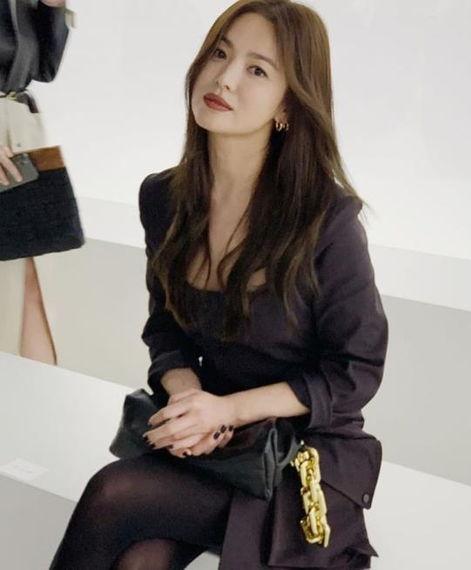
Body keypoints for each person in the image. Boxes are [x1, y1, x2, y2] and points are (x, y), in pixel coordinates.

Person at [49, 1, 389, 568]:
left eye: (257, 69)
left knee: (114, 492)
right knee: (139, 559)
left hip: (300, 456)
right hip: (213, 445)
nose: (225, 78)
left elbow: (354, 371)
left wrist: (227, 410)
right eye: (219, 54)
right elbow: (166, 329)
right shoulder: (163, 197)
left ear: (289, 104)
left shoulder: (326, 220)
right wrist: (189, 400)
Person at [0, 0, 73, 364]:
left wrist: (51, 7)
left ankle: (38, 395)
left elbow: (44, 67)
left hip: (21, 127)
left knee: (33, 282)